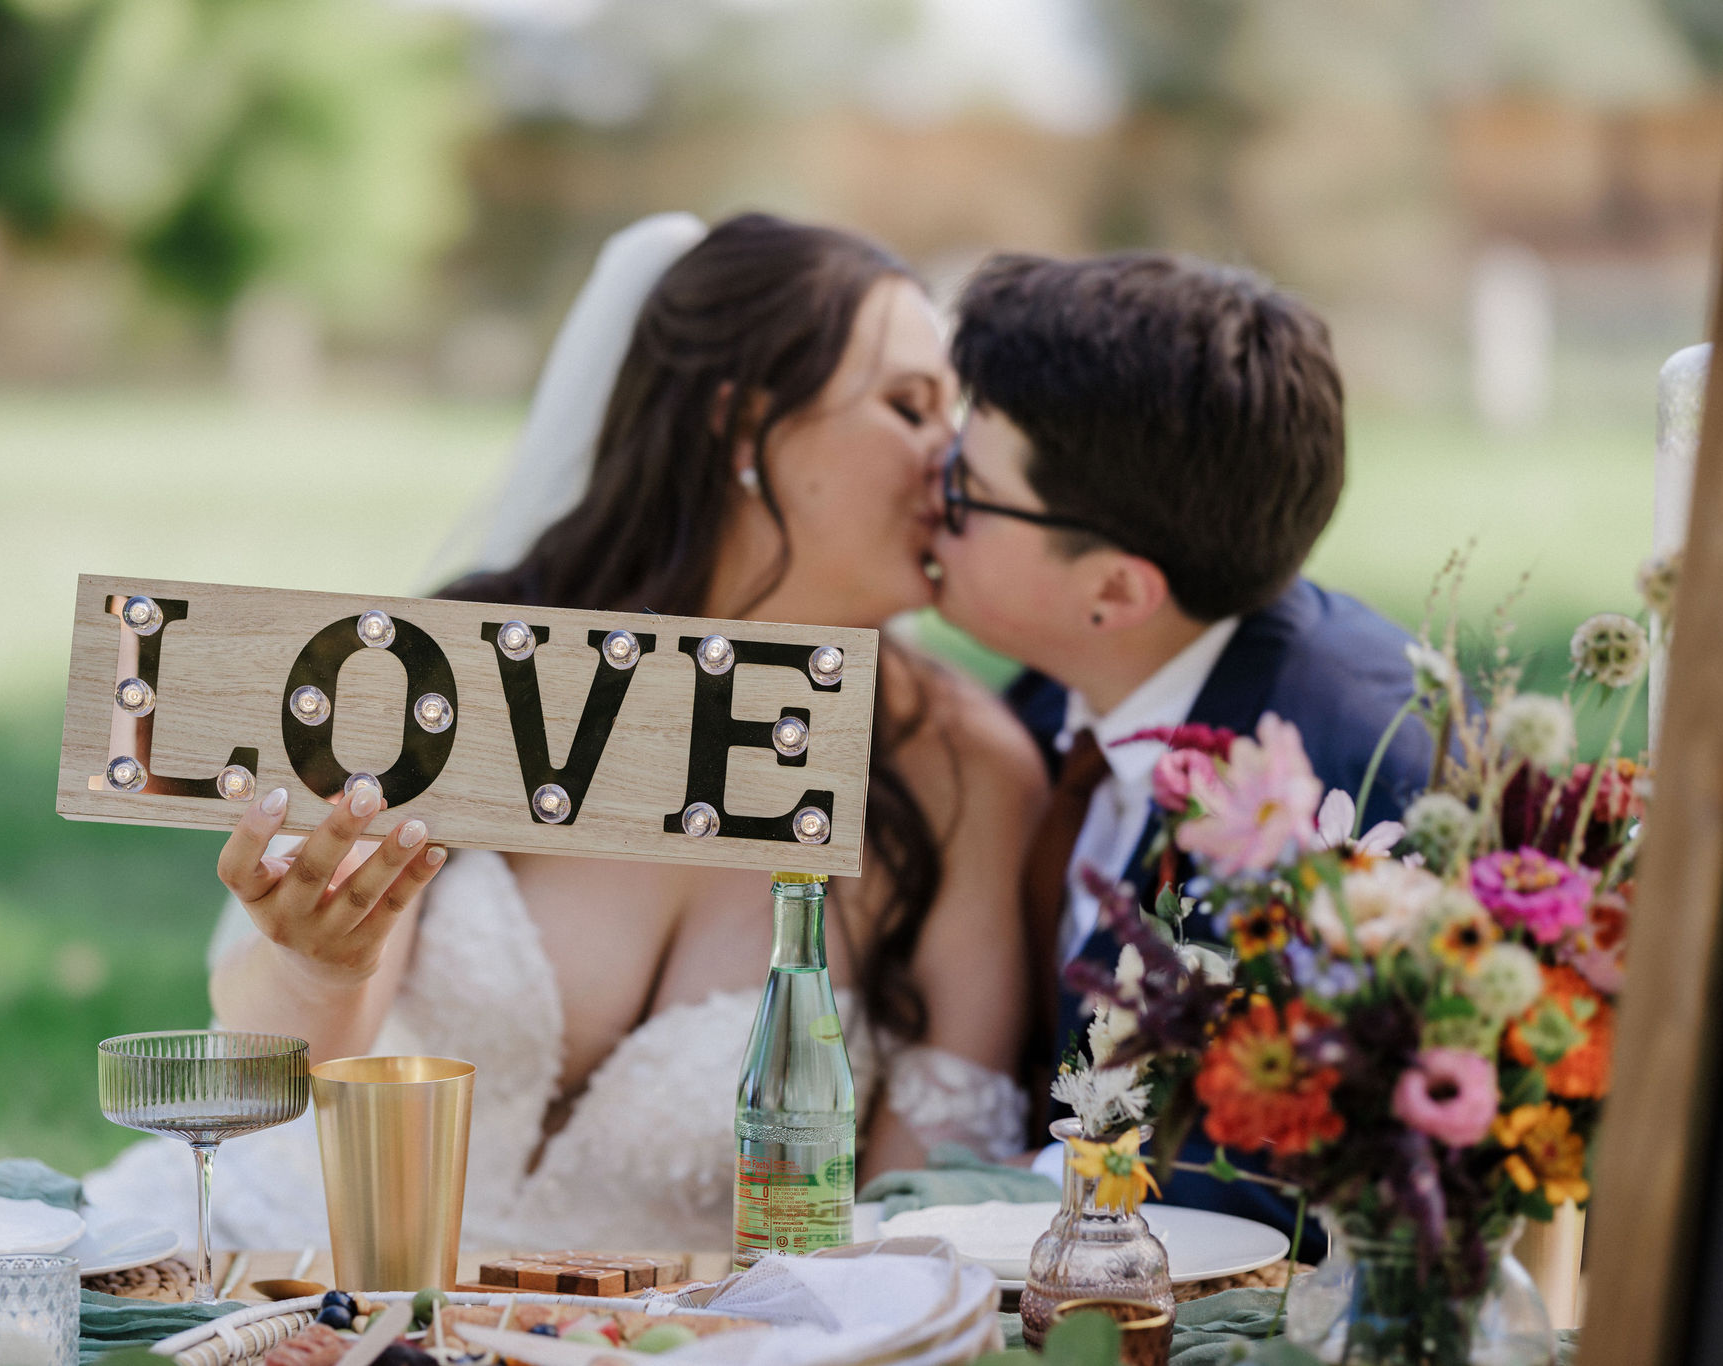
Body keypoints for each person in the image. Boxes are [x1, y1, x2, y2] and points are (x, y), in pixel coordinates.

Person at [85, 213, 1044, 1254]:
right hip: (301, 1269)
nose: (948, 461)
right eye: (908, 407)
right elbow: (299, 1061)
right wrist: (318, 964)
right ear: (742, 422)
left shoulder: (961, 771)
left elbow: (918, 1217)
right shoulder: (462, 665)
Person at [927, 250, 1433, 1247]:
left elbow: (1247, 1207)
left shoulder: (1347, 799)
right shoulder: (1048, 700)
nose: (926, 492)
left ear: (1113, 591)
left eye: (964, 485)